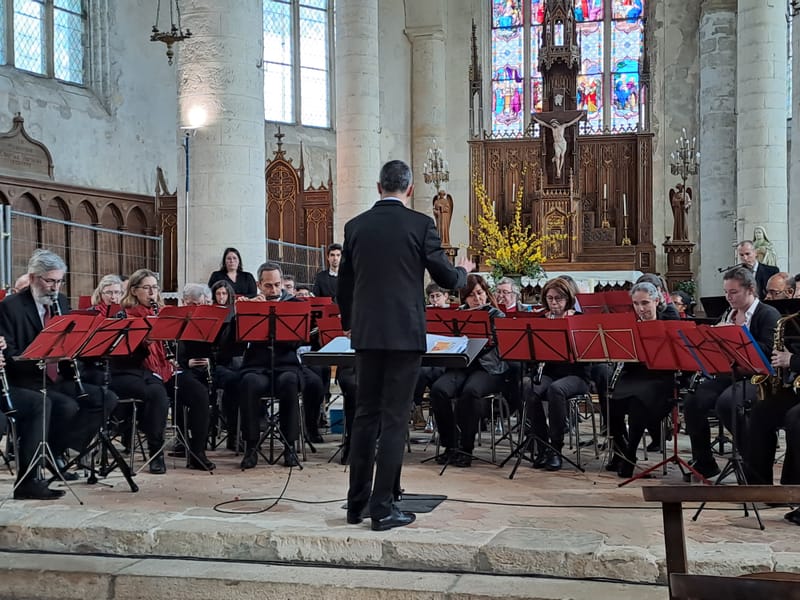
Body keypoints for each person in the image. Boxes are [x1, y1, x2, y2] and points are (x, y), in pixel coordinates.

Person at [338, 159, 472, 531]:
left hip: (366, 336)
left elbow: (344, 284)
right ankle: (383, 509)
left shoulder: (355, 226)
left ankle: (356, 505)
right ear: (410, 189)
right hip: (403, 337)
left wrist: (350, 323)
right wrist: (464, 269)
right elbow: (446, 278)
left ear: (378, 187)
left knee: (365, 417)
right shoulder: (420, 224)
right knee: (395, 420)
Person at [0, 249, 117, 482]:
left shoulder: (61, 302)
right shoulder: (11, 307)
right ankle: (46, 457)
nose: (55, 287)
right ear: (33, 278)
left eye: (60, 281)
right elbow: (10, 354)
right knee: (65, 406)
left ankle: (55, 449)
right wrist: (41, 358)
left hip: (56, 377)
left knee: (105, 398)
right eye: (50, 281)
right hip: (26, 379)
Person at [682, 266, 780, 479]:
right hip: (731, 373)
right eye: (726, 292)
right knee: (693, 401)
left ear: (750, 289)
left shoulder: (768, 314)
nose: (728, 297)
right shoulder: (729, 312)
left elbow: (768, 352)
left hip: (758, 377)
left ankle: (752, 462)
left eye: (733, 292)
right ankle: (705, 462)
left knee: (728, 403)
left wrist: (740, 336)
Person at [237, 262, 324, 469]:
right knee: (249, 382)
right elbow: (237, 341)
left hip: (286, 365)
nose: (274, 290)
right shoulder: (249, 305)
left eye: (277, 285)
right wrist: (251, 310)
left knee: (290, 382)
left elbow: (298, 341)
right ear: (259, 285)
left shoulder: (294, 304)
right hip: (257, 366)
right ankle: (251, 446)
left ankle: (289, 447)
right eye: (268, 286)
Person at [429, 275, 509, 469]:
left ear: (486, 293)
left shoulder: (496, 315)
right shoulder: (457, 316)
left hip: (489, 368)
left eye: (480, 293)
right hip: (461, 365)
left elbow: (503, 348)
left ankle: (467, 448)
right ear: (464, 298)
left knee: (470, 392)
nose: (477, 299)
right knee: (438, 390)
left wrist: (486, 339)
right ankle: (450, 445)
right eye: (471, 295)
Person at [607, 282, 678, 478]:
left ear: (657, 301)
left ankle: (630, 456)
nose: (641, 309)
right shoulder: (629, 326)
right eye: (636, 304)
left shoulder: (668, 324)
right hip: (634, 375)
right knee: (611, 402)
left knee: (638, 402)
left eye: (645, 303)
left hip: (661, 378)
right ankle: (620, 451)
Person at [109, 268, 172, 474]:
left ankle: (197, 452)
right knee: (156, 393)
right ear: (134, 291)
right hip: (131, 371)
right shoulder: (123, 315)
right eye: (147, 288)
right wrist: (143, 343)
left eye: (155, 288)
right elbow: (120, 357)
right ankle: (156, 452)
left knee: (196, 391)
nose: (152, 293)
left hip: (160, 368)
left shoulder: (163, 314)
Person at [524, 277, 588, 471]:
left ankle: (556, 448)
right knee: (529, 386)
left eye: (558, 298)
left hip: (576, 375)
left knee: (555, 390)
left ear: (568, 298)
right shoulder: (542, 320)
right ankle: (542, 446)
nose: (554, 303)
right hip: (549, 372)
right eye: (550, 298)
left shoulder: (579, 319)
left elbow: (588, 355)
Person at [531, 113, 584, 179]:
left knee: (562, 156)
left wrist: (580, 116)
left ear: (556, 123)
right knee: (558, 156)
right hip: (556, 143)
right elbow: (543, 123)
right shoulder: (552, 128)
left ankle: (559, 166)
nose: (553, 126)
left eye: (554, 124)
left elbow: (572, 122)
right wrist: (535, 119)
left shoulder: (562, 126)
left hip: (563, 143)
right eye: (552, 125)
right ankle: (558, 171)